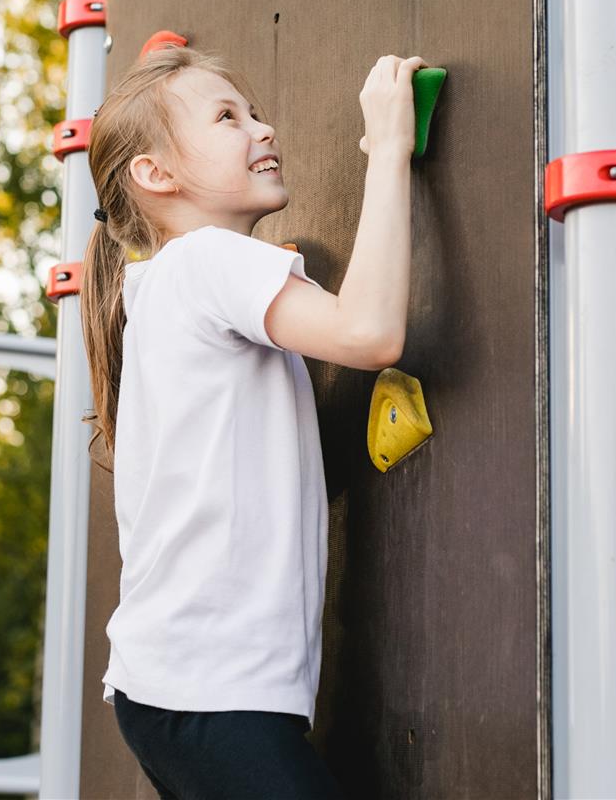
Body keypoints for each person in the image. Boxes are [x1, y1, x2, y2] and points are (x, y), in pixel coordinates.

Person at [79, 44, 421, 799]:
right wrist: (390, 147)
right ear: (155, 175)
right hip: (210, 691)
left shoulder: (166, 288)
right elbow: (369, 334)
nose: (262, 129)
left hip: (183, 691)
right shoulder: (205, 262)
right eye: (228, 118)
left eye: (254, 112)